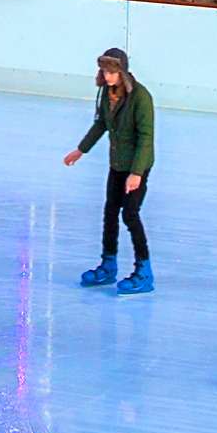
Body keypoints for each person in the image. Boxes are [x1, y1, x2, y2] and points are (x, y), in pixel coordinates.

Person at [63, 47, 157, 287]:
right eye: (104, 71)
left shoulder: (140, 97)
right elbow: (101, 124)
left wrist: (136, 173)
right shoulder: (107, 94)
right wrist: (80, 150)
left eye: (111, 71)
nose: (107, 76)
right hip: (117, 165)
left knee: (130, 214)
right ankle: (108, 264)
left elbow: (146, 137)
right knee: (110, 213)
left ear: (122, 71)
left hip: (137, 166)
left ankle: (144, 271)